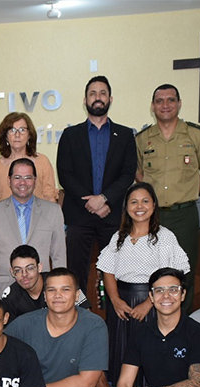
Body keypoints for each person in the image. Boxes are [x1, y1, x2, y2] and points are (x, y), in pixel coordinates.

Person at [135, 84, 200, 312]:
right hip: (153, 215)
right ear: (152, 106)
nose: (165, 105)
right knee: (151, 271)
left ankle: (183, 325)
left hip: (185, 214)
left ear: (179, 104)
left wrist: (188, 192)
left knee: (185, 273)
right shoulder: (142, 139)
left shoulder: (196, 134)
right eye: (159, 101)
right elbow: (139, 173)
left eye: (170, 100)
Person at [96, 182, 189, 385]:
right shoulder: (118, 237)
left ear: (154, 205)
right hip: (122, 303)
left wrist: (149, 303)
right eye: (134, 202)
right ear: (126, 207)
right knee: (120, 354)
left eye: (145, 201)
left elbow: (170, 277)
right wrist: (115, 300)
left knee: (149, 355)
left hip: (153, 302)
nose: (140, 206)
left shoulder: (164, 237)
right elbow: (108, 271)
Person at [56, 76, 137, 293]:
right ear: (85, 100)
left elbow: (128, 174)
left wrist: (104, 199)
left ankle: (116, 322)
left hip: (111, 215)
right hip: (78, 218)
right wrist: (90, 202)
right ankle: (80, 319)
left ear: (110, 99)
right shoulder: (70, 135)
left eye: (102, 93)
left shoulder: (126, 135)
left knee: (117, 275)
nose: (97, 98)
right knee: (75, 276)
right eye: (92, 93)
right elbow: (65, 174)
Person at [0, 158, 66, 294]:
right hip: (4, 289)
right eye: (17, 177)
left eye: (28, 177)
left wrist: (58, 290)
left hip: (42, 290)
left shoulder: (53, 211)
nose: (23, 182)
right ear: (8, 180)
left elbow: (59, 257)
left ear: (35, 181)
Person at [0, 111, 57, 208]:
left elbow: (49, 198)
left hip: (38, 219)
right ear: (6, 137)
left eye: (22, 130)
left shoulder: (42, 162)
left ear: (29, 135)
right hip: (3, 220)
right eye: (12, 130)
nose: (17, 135)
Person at [2, 245, 92, 320]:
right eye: (18, 270)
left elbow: (88, 316)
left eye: (30, 268)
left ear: (39, 267)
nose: (24, 274)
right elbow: (11, 333)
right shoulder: (10, 295)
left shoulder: (61, 281)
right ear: (12, 272)